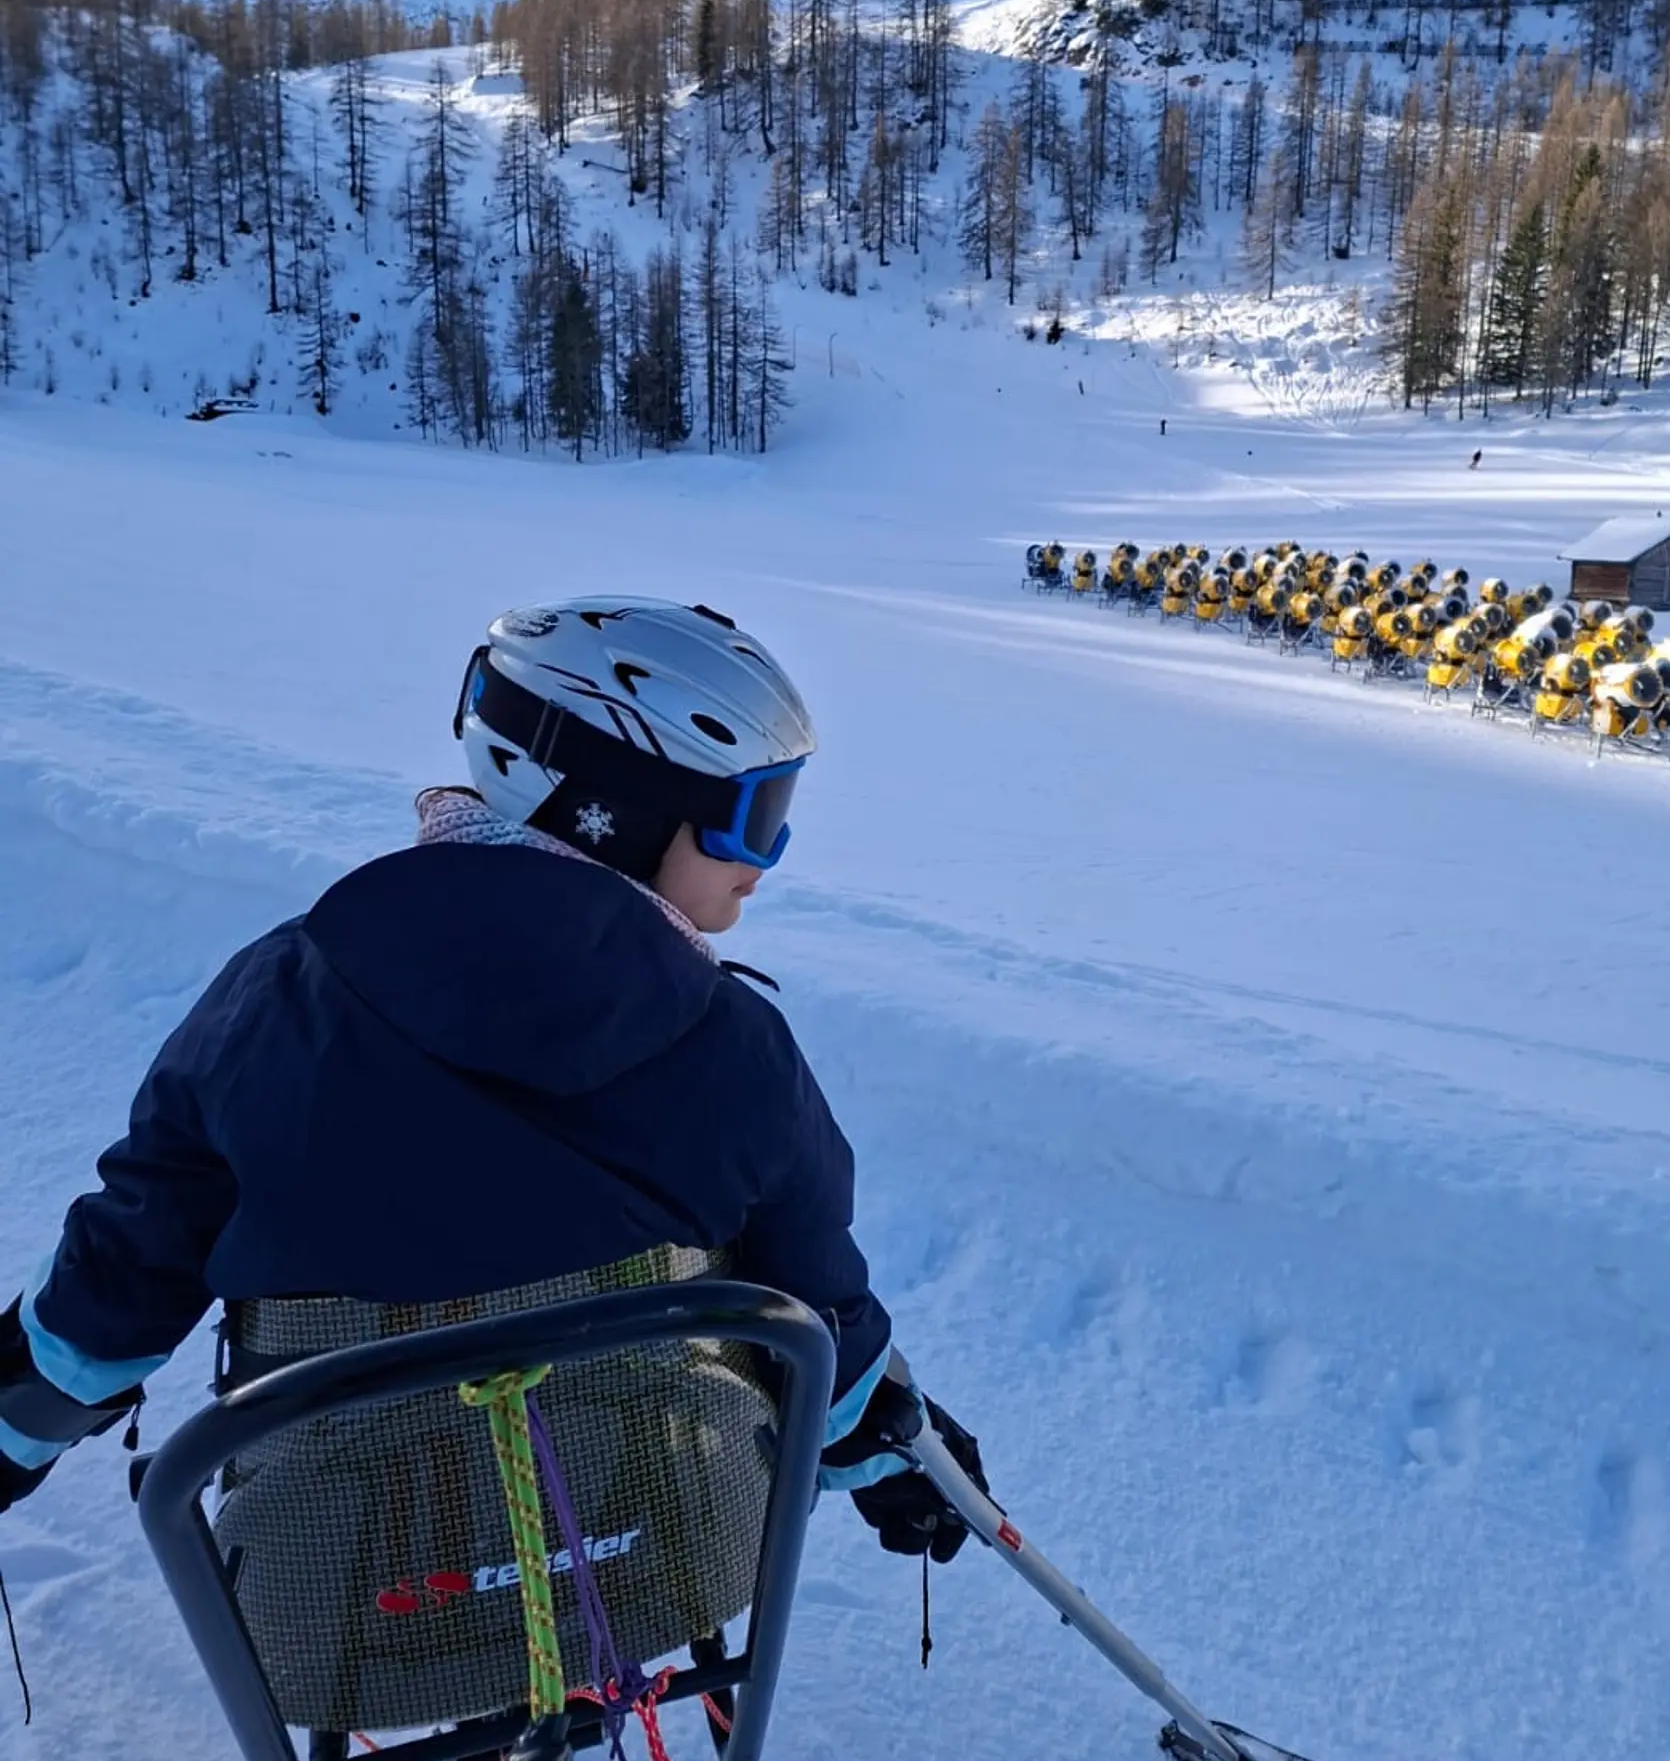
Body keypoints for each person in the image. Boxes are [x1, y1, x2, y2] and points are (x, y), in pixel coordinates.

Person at [0, 596, 984, 1564]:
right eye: (750, 818)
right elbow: (813, 1297)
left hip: (334, 1577)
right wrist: (881, 1440)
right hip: (656, 1543)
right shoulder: (733, 1046)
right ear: (620, 814)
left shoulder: (281, 998)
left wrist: (22, 1409)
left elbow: (137, 1254)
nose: (765, 862)